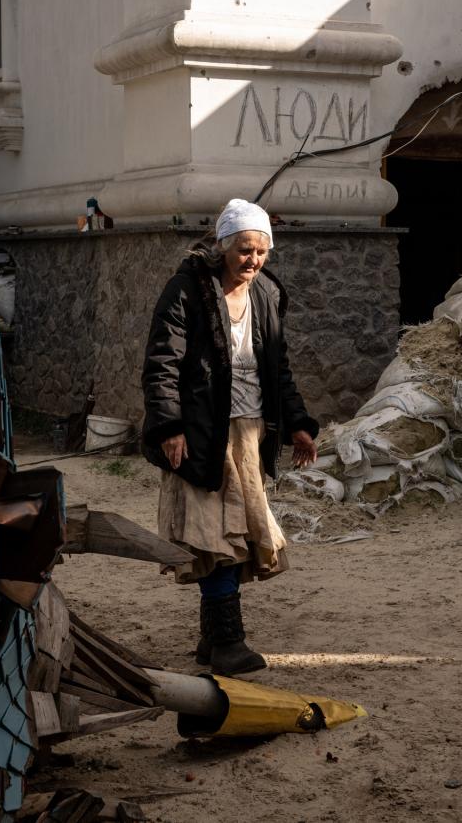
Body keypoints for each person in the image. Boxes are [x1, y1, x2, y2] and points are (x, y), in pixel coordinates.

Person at [140, 198, 318, 675]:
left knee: (232, 533)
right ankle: (227, 642)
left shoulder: (267, 295)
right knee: (214, 534)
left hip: (249, 432)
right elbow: (162, 363)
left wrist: (299, 424)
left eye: (261, 251)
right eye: (244, 249)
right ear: (222, 247)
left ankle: (211, 642)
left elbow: (277, 368)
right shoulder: (187, 290)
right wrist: (169, 427)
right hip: (202, 432)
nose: (253, 260)